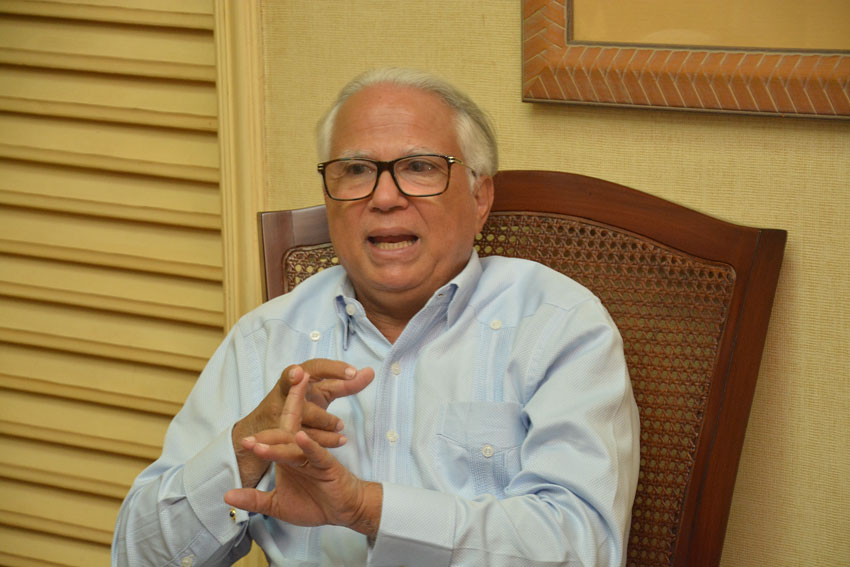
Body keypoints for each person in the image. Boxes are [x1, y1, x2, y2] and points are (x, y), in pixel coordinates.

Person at [112, 67, 640, 566]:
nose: (384, 197)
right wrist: (245, 449)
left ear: (480, 197)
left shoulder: (558, 325)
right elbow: (139, 555)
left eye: (420, 167)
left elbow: (583, 547)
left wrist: (369, 509)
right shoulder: (267, 338)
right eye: (356, 171)